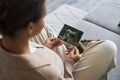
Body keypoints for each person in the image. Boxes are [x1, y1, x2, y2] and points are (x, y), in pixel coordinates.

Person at [0, 0, 117, 80]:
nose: (44, 19)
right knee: (108, 48)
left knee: (44, 30)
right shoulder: (46, 73)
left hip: (42, 57)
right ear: (30, 28)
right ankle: (74, 51)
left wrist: (44, 48)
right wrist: (69, 62)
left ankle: (68, 47)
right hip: (62, 72)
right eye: (42, 16)